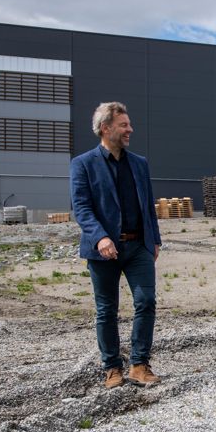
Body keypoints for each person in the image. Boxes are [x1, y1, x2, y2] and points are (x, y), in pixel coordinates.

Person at [70, 101, 163, 389]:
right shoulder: (83, 164)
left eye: (129, 124)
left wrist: (155, 240)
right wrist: (100, 237)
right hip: (103, 252)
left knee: (145, 302)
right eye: (124, 125)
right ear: (105, 127)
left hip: (138, 247)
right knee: (106, 310)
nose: (130, 129)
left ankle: (139, 364)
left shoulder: (139, 163)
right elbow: (81, 208)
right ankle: (112, 368)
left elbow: (147, 204)